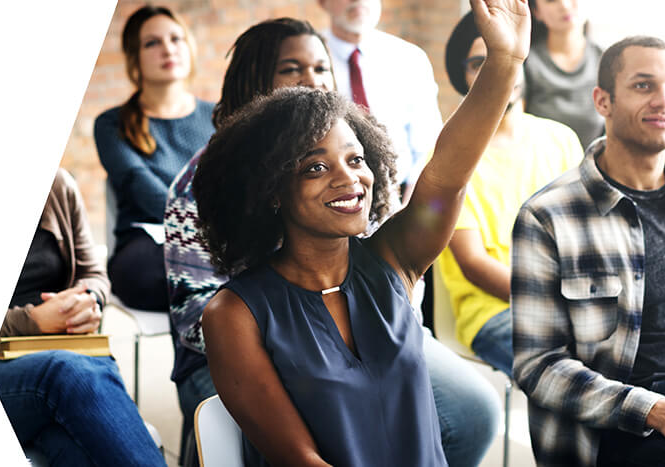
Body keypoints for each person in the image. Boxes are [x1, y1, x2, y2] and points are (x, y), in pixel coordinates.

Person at [193, 0, 530, 464]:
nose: (350, 179)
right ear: (271, 188)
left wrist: (504, 62)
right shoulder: (235, 314)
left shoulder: (394, 259)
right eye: (315, 167)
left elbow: (448, 175)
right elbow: (301, 460)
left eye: (355, 159)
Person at [512, 36, 665, 467]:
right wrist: (650, 408)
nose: (662, 99)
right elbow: (538, 366)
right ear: (603, 101)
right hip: (613, 428)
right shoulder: (548, 216)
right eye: (643, 85)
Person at [436, 11, 583, 376]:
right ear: (462, 76)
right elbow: (473, 264)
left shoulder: (560, 138)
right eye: (478, 62)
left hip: (573, 302)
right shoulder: (447, 157)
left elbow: (586, 232)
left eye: (504, 56)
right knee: (578, 375)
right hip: (495, 314)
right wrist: (554, 302)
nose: (496, 69)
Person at [0, 168, 165, 466]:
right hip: (21, 365)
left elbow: (92, 273)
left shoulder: (56, 185)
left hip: (55, 352)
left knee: (76, 449)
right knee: (69, 372)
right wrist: (33, 322)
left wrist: (87, 300)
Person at [94, 5, 215, 310]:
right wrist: (202, 227)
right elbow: (140, 185)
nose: (168, 49)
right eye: (152, 43)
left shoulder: (218, 116)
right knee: (187, 273)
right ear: (134, 58)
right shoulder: (112, 123)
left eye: (176, 39)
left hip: (216, 237)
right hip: (148, 246)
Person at [317, 0, 442, 201]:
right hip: (333, 198)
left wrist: (409, 208)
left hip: (402, 197)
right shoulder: (308, 60)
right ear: (322, 2)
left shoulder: (410, 58)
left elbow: (428, 146)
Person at [524, 0, 604, 150]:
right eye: (551, 0)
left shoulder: (606, 61)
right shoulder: (525, 63)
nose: (564, 5)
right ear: (536, 12)